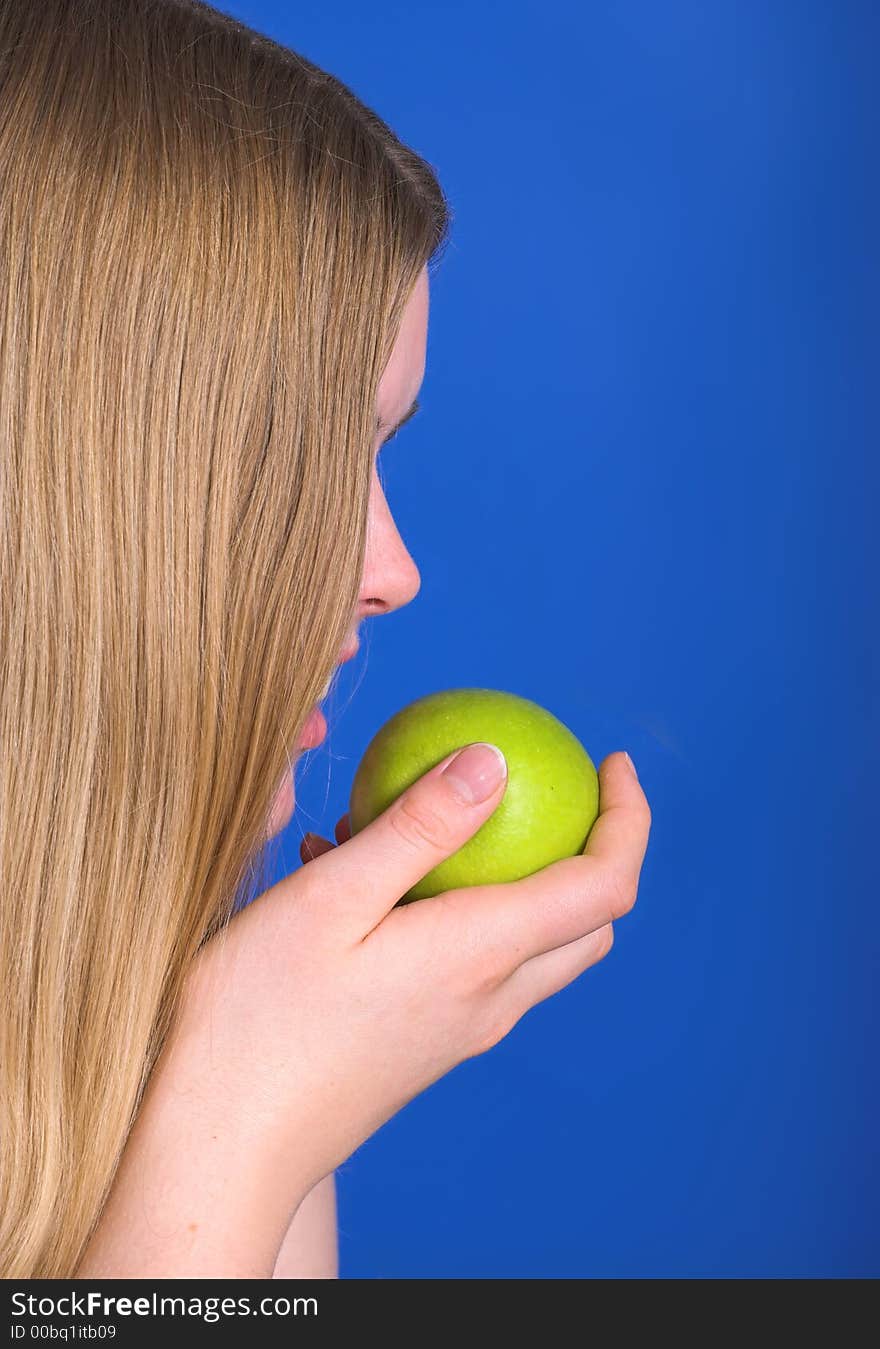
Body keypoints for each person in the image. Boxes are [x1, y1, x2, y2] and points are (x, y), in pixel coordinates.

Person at [0, 0, 651, 1279]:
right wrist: (243, 1118)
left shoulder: (133, 1029)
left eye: (374, 453)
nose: (394, 573)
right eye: (293, 456)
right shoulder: (219, 1082)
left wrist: (263, 1070)